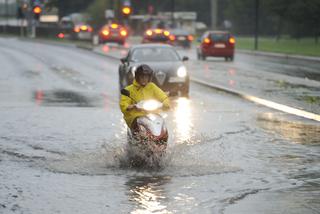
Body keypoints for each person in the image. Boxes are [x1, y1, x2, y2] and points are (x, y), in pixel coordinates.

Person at [119, 64, 170, 131]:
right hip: (136, 115)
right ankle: (136, 138)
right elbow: (124, 103)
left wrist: (165, 102)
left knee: (162, 125)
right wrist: (129, 106)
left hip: (152, 113)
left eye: (146, 77)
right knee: (138, 129)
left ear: (149, 78)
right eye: (142, 77)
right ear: (137, 77)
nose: (144, 79)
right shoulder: (129, 89)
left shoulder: (152, 87)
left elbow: (162, 96)